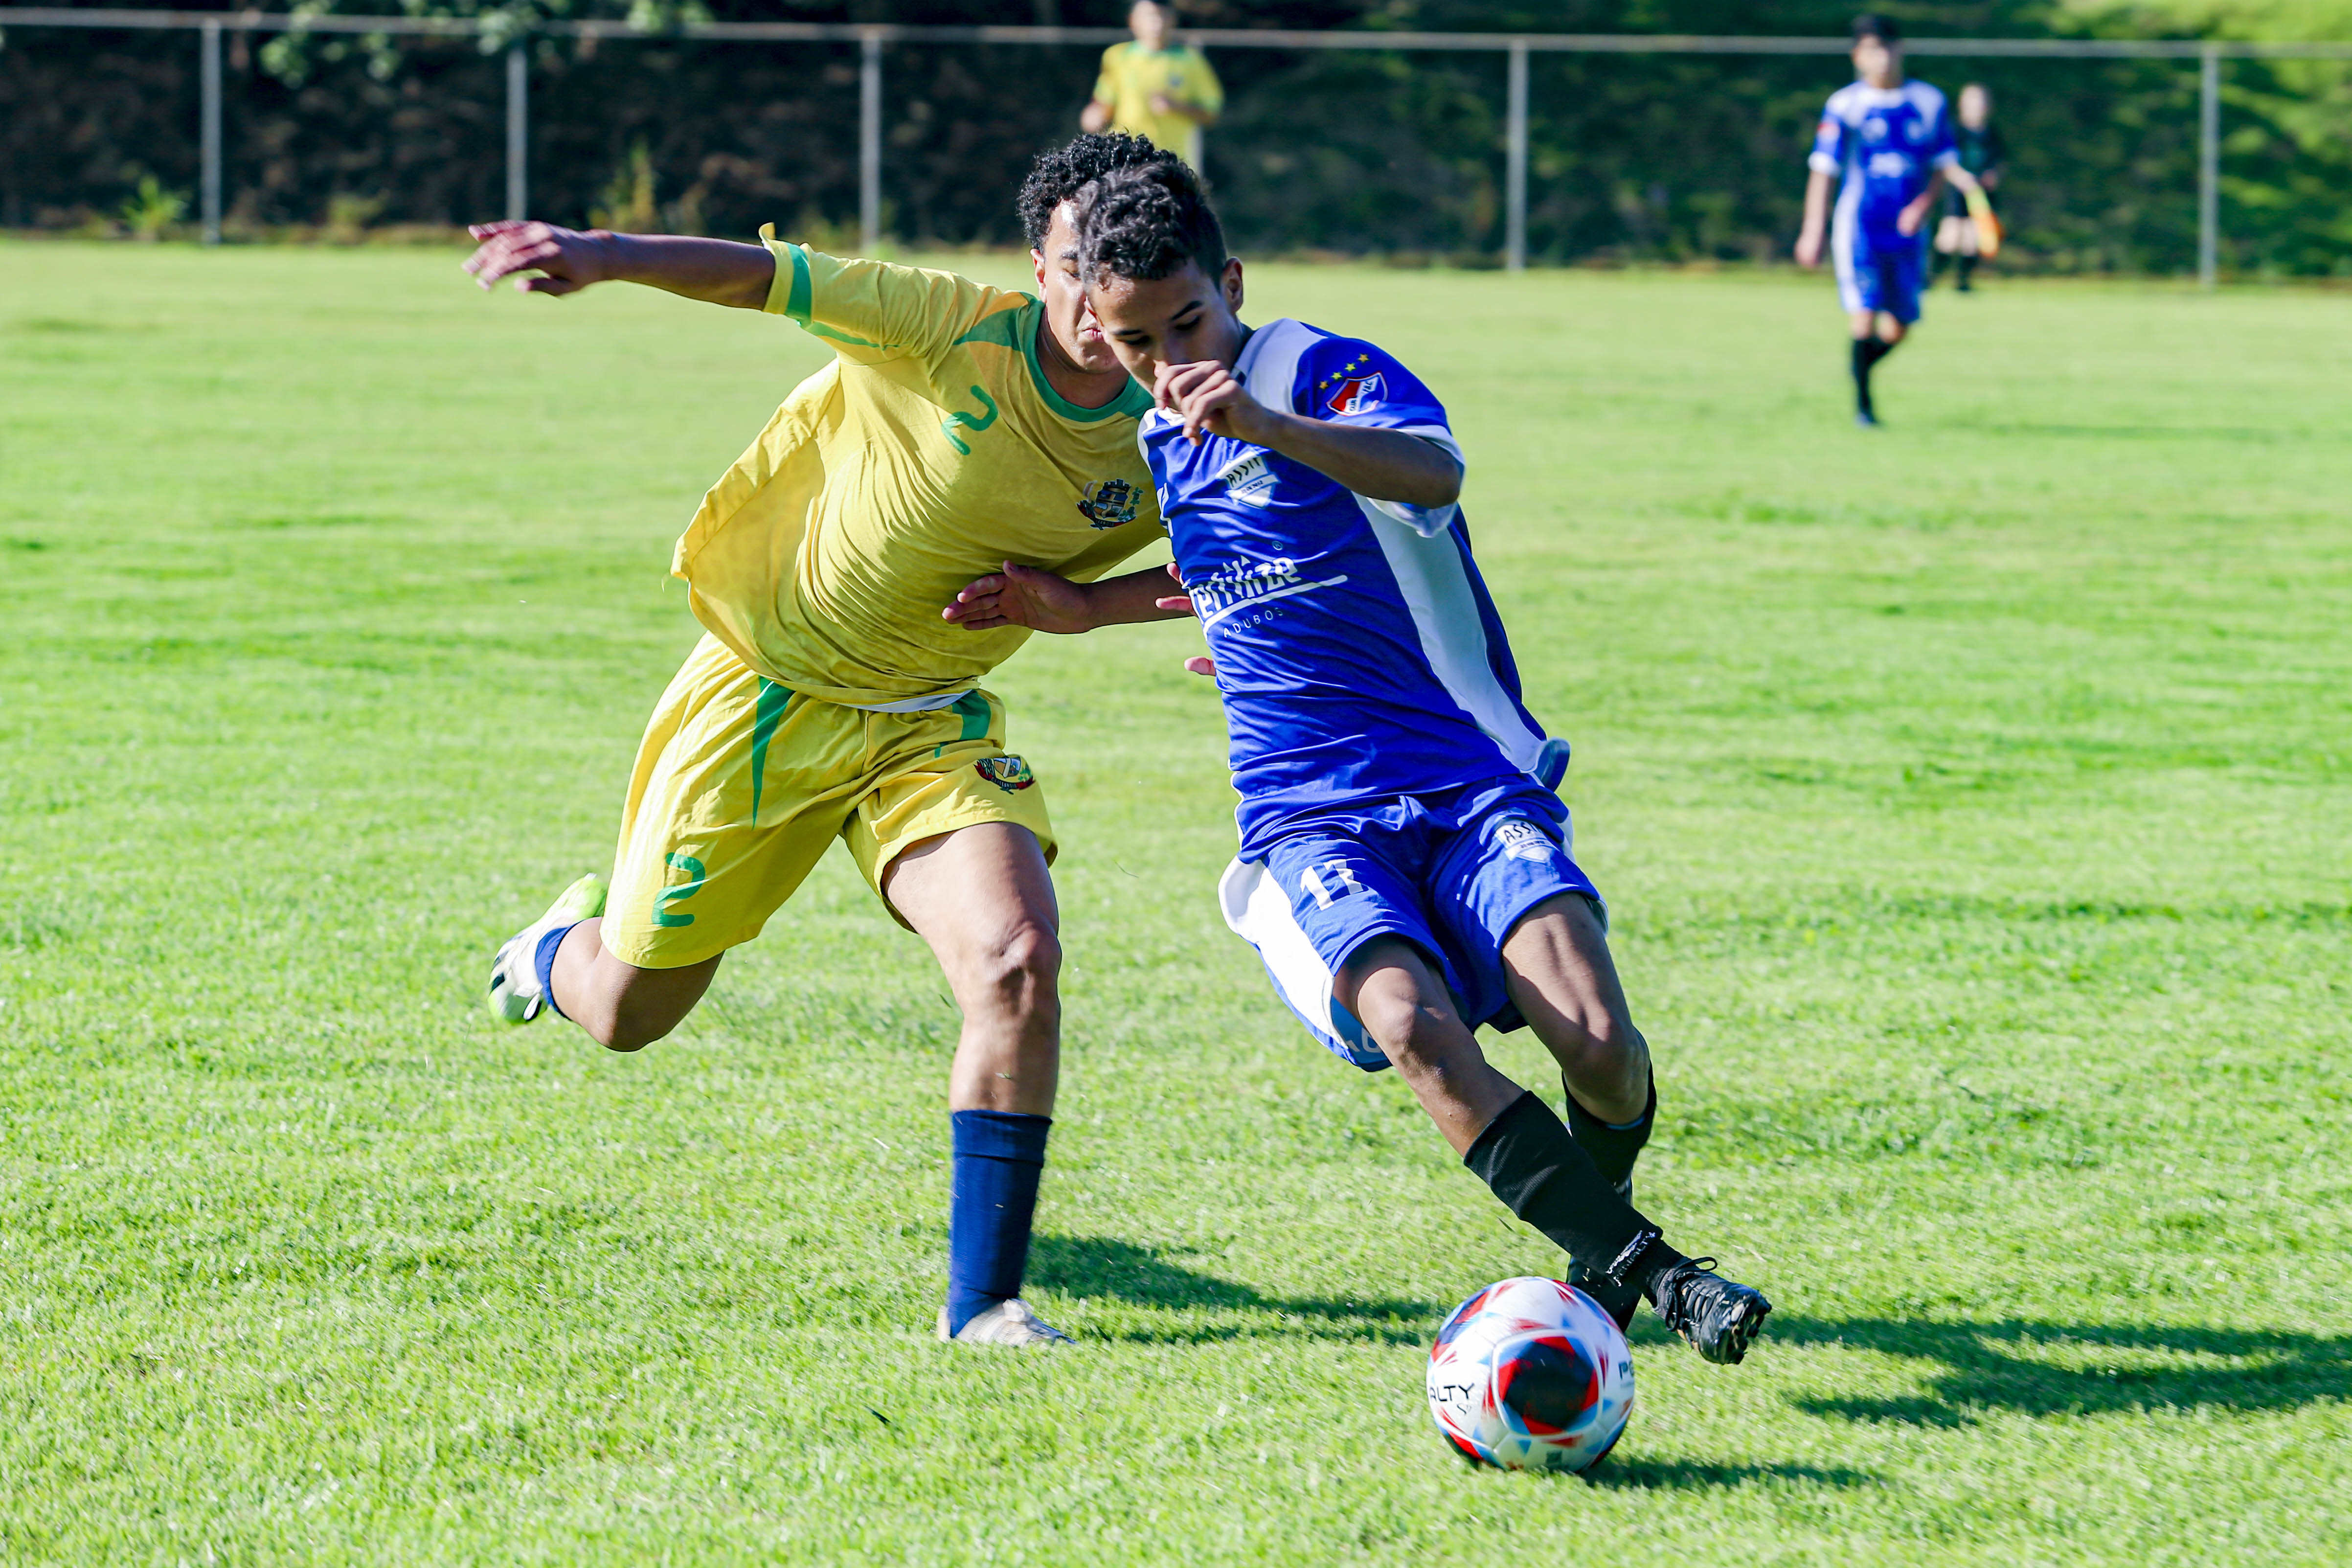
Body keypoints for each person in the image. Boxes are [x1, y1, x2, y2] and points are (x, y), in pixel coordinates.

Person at [945, 163, 1773, 1363]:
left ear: (1229, 286)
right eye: (1131, 342)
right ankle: (1653, 1274)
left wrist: (1266, 425)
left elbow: (1430, 476)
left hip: (1459, 771)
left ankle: (1596, 1263)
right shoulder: (1155, 437)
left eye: (1185, 323)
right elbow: (1238, 563)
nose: (1164, 357)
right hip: (1306, 808)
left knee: (1595, 1036)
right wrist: (1092, 608)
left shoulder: (1319, 371)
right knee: (1407, 1020)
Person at [463, 133, 1192, 1349]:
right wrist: (601, 253)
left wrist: (1090, 605)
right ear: (1040, 262)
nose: (1092, 303)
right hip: (767, 694)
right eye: (1070, 269)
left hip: (931, 720)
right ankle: (551, 949)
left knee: (1013, 959)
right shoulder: (949, 324)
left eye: (1117, 277)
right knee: (629, 1009)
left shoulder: (1183, 403)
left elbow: (1242, 561)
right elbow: (766, 278)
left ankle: (985, 1304)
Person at [1794, 15, 1986, 427]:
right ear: (1857, 56)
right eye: (1870, 50)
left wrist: (1922, 206)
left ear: (1900, 50)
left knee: (1900, 326)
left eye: (1886, 48)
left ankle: (1859, 366)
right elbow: (1823, 170)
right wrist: (1813, 229)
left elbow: (1942, 164)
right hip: (1860, 224)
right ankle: (1864, 409)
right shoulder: (1845, 105)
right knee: (1863, 312)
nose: (1880, 58)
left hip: (1908, 230)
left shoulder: (1927, 101)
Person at [1082, 0, 1223, 171]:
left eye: (1162, 16)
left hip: (1172, 162)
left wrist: (1176, 106)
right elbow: (1105, 104)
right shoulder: (1118, 56)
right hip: (1127, 160)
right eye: (1150, 16)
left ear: (1173, 20)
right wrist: (1094, 116)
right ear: (1133, 21)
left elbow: (1211, 114)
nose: (1157, 23)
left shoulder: (1190, 60)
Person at [1934, 83, 2007, 291]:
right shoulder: (1955, 130)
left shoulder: (1992, 133)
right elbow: (1945, 162)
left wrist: (1993, 176)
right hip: (1959, 190)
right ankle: (1930, 278)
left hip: (1981, 194)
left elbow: (2000, 162)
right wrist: (1961, 178)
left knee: (1974, 237)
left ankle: (1963, 282)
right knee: (1951, 236)